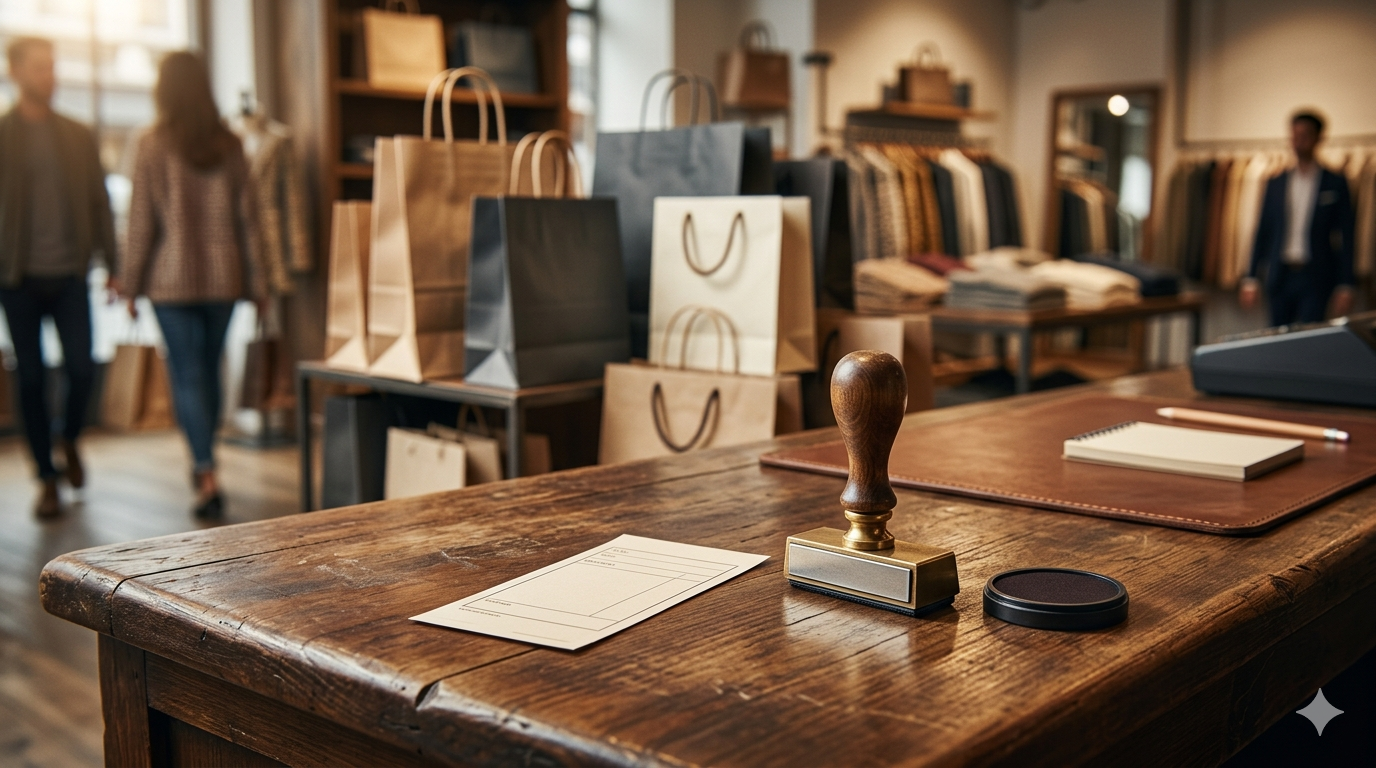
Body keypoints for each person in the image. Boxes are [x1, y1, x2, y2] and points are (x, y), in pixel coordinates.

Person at [120, 51, 265, 518]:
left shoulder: (150, 143)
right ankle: (208, 462)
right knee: (209, 369)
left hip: (170, 281)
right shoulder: (231, 143)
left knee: (187, 376)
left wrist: (130, 282)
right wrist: (257, 282)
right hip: (224, 281)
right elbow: (251, 223)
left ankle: (205, 470)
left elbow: (141, 220)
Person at [0, 37, 118, 518]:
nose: (50, 77)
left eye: (53, 67)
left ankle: (68, 437)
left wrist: (113, 263)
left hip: (70, 272)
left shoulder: (76, 134)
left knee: (82, 368)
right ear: (15, 73)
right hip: (17, 278)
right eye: (40, 69)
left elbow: (100, 202)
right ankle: (46, 477)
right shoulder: (3, 134)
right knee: (28, 377)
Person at [1240, 111, 1355, 327]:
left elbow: (1347, 235)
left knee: (1310, 338)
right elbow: (1263, 231)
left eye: (1305, 135)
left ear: (1319, 139)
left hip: (1316, 274)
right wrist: (1251, 278)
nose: (1299, 141)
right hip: (1280, 273)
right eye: (1295, 135)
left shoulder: (1335, 183)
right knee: (1277, 335)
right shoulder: (1276, 182)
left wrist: (1346, 283)